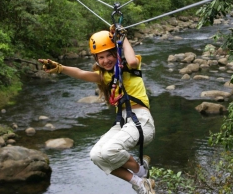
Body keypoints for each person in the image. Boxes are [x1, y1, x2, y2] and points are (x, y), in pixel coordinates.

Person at [38, 26, 156, 194]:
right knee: (97, 156)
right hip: (124, 123)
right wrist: (59, 68)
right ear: (96, 59)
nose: (106, 60)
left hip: (142, 122)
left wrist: (123, 38)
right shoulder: (104, 77)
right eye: (101, 57)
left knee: (109, 151)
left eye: (110, 55)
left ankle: (141, 170)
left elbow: (132, 61)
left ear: (117, 53)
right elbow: (80, 73)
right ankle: (139, 182)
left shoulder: (130, 69)